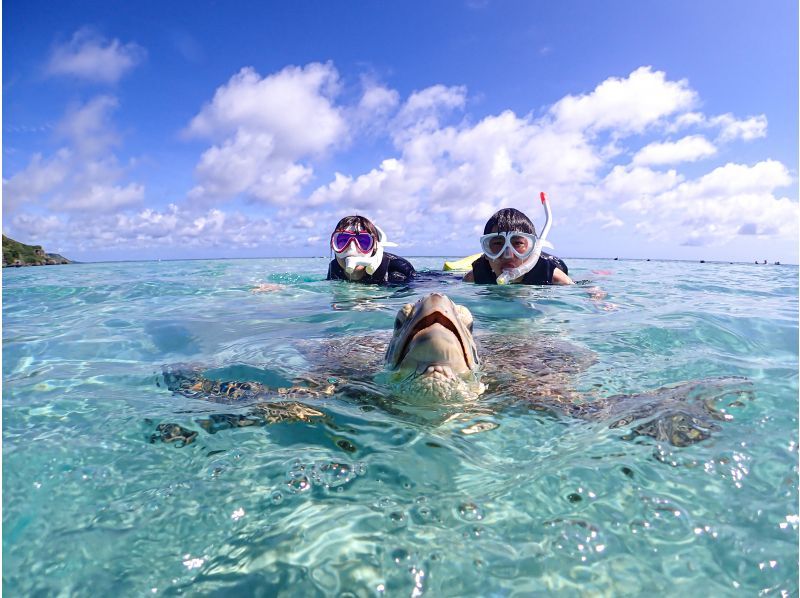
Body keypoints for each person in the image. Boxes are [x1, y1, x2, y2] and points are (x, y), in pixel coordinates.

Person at [463, 204, 573, 285]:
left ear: (532, 249)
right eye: (497, 243)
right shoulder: (476, 275)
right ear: (486, 252)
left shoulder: (552, 276)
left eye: (517, 243)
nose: (508, 255)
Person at [327, 215, 416, 284]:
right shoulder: (335, 268)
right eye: (342, 241)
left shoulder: (396, 270)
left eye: (363, 242)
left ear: (375, 247)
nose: (352, 248)